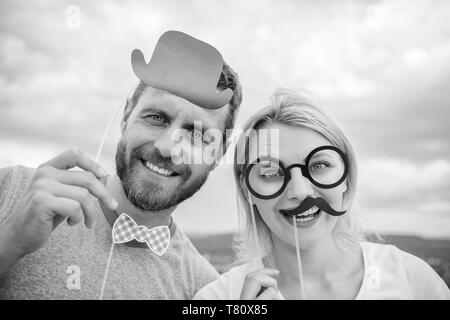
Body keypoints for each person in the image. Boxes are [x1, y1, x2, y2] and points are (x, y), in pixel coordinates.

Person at [0, 33, 243, 299]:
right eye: (156, 117)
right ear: (126, 115)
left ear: (218, 153)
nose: (166, 147)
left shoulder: (204, 291)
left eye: (196, 134)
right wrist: (10, 241)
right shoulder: (11, 190)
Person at [194, 89, 450, 300]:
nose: (300, 191)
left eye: (319, 166)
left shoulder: (414, 281)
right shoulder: (220, 298)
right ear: (248, 189)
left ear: (346, 179)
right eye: (270, 173)